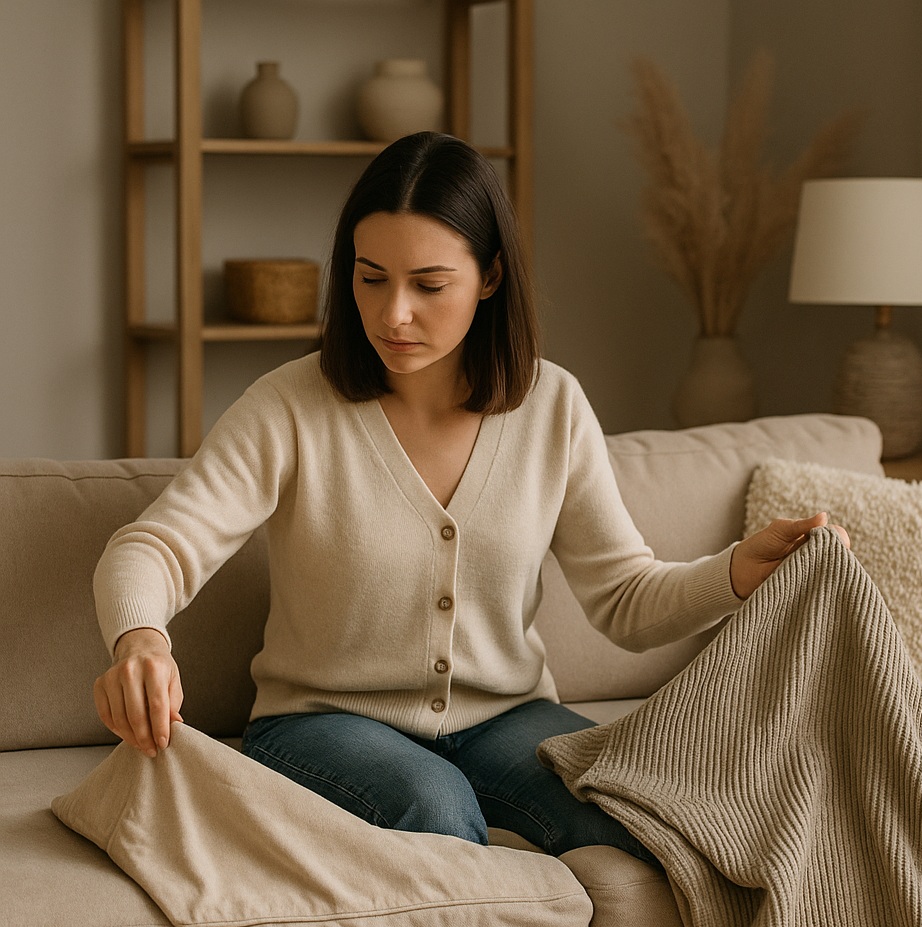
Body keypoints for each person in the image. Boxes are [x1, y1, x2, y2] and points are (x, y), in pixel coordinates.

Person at [92, 131, 845, 866]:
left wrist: (740, 571)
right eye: (370, 276)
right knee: (435, 806)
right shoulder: (289, 407)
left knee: (645, 817)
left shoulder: (552, 406)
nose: (393, 314)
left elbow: (626, 598)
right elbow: (152, 547)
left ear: (488, 276)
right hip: (322, 724)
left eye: (428, 284)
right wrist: (141, 639)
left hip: (509, 720)